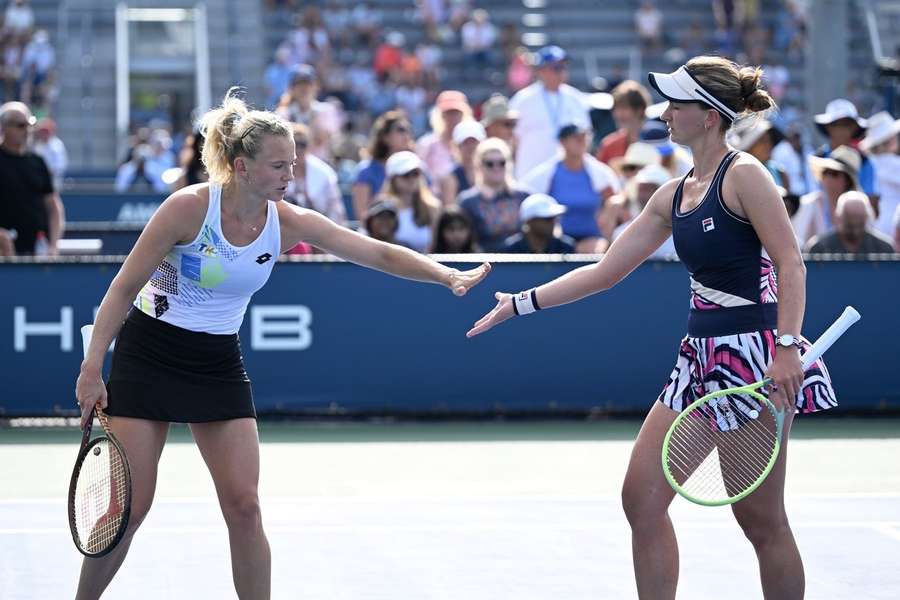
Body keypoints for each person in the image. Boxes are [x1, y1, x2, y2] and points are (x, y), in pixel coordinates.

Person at [74, 89, 491, 600]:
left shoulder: (287, 220)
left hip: (216, 361)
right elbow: (122, 287)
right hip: (149, 353)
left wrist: (446, 274)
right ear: (241, 166)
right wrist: (93, 368)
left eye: (292, 163)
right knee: (129, 511)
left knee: (245, 507)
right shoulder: (187, 208)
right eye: (277, 165)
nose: (289, 174)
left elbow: (376, 253)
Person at [467, 56, 837, 600]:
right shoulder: (672, 195)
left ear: (709, 116)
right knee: (641, 499)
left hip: (752, 359)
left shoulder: (747, 176)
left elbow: (791, 264)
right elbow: (604, 271)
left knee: (760, 521)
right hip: (696, 362)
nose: (664, 113)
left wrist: (785, 348)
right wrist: (521, 302)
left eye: (676, 103)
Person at [521, 123, 620, 252]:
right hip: (555, 242)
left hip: (592, 240)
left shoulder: (601, 173)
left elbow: (614, 202)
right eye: (575, 137)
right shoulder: (546, 173)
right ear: (562, 142)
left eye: (584, 136)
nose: (581, 141)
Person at [508, 45, 590, 178]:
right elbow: (512, 139)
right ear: (541, 71)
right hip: (530, 174)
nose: (561, 72)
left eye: (563, 67)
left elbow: (585, 136)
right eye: (556, 68)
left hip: (565, 177)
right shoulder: (523, 100)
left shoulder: (575, 98)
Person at [0, 101, 63, 255]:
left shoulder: (38, 161)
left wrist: (53, 245)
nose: (27, 130)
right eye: (21, 125)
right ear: (4, 127)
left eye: (30, 124)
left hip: (36, 252)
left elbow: (53, 207)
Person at [458, 137, 529, 251]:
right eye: (490, 164)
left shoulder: (524, 196)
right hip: (486, 262)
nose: (496, 168)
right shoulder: (468, 201)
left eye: (502, 163)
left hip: (523, 262)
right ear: (479, 165)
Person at [351, 110, 412, 221]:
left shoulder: (416, 169)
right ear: (385, 137)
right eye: (400, 130)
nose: (406, 135)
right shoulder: (365, 171)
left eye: (407, 130)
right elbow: (363, 215)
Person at [793, 144, 859, 246]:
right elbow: (798, 241)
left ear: (847, 181)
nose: (827, 177)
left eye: (834, 173)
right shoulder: (808, 204)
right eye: (825, 172)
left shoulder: (858, 207)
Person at [376, 150, 441, 252]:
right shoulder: (381, 208)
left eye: (415, 173)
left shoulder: (432, 208)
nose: (411, 178)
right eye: (405, 174)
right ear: (393, 179)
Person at [812, 98, 878, 198]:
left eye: (846, 125)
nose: (841, 130)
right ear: (828, 127)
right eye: (837, 125)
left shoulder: (865, 162)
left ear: (854, 128)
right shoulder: (817, 158)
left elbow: (868, 197)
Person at [283, 123, 346, 226]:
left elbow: (336, 211)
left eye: (302, 144)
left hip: (318, 229)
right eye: (295, 143)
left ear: (310, 145)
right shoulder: (276, 169)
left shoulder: (325, 173)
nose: (298, 149)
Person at [805, 190, 895, 254]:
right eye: (850, 224)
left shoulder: (883, 249)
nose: (855, 230)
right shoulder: (820, 249)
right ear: (839, 217)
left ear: (866, 218)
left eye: (859, 224)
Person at [859, 111, 900, 237]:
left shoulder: (870, 163)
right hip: (893, 223)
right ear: (888, 141)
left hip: (875, 224)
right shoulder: (893, 163)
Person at [595, 80, 652, 165]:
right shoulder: (609, 145)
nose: (618, 114)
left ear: (640, 110)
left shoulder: (657, 142)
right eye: (616, 108)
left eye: (624, 108)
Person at [502, 193, 575, 253]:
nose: (553, 223)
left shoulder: (566, 248)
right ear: (529, 221)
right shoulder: (511, 249)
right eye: (547, 219)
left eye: (554, 218)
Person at [729, 118, 790, 189]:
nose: (769, 145)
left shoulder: (780, 173)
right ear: (749, 146)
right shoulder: (736, 174)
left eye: (770, 140)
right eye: (762, 141)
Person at [441, 120, 486, 204]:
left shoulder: (492, 169)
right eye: (465, 142)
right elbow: (450, 210)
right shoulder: (451, 177)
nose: (471, 146)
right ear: (456, 146)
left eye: (474, 141)